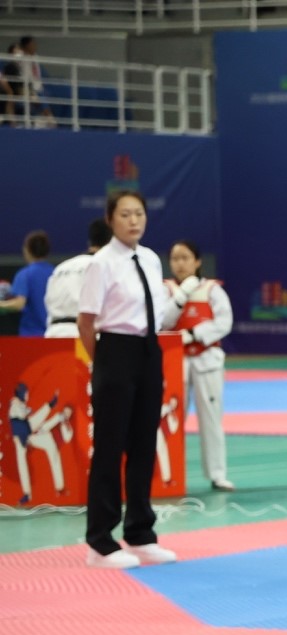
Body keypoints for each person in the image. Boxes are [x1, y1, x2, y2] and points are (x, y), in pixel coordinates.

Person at [77, 190, 177, 571]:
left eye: (139, 214)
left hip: (149, 351)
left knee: (143, 444)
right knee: (109, 446)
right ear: (110, 219)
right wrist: (103, 363)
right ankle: (100, 542)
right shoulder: (101, 263)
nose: (133, 221)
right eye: (125, 214)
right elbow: (86, 321)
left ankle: (140, 532)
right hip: (114, 350)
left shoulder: (150, 259)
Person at [162, 239, 236, 491]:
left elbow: (224, 322)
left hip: (207, 359)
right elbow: (162, 321)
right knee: (169, 420)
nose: (180, 264)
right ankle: (167, 475)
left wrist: (194, 334)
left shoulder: (212, 289)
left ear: (197, 261)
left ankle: (217, 474)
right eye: (175, 259)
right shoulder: (166, 290)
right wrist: (181, 296)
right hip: (174, 362)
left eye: (185, 258)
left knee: (211, 418)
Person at [45, 219, 113, 337]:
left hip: (54, 334)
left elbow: (47, 302)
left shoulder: (61, 268)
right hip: (84, 334)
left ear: (89, 242)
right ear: (111, 243)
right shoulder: (105, 267)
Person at [0, 230, 54, 336]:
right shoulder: (55, 272)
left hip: (31, 337)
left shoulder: (25, 274)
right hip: (53, 334)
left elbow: (18, 304)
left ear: (27, 250)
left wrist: (1, 305)